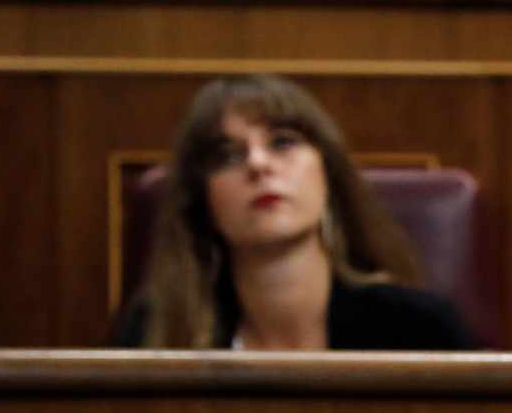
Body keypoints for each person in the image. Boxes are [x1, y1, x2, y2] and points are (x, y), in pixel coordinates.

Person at [113, 74, 474, 350]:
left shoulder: (419, 330)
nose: (258, 165)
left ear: (328, 175)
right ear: (202, 200)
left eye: (282, 142)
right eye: (228, 156)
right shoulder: (155, 338)